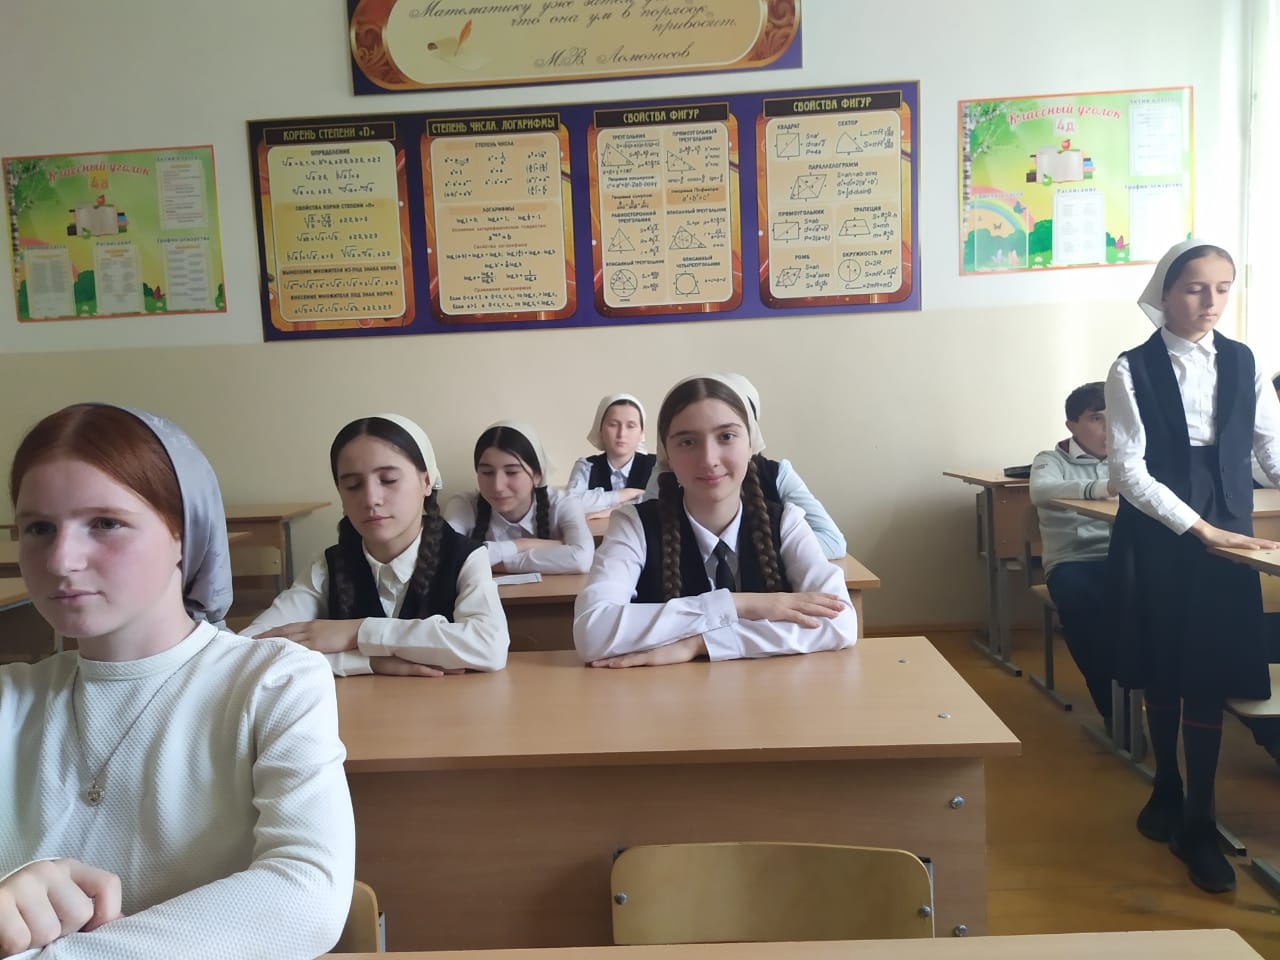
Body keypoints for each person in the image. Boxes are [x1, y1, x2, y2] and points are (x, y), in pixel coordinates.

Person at [0, 403, 354, 958]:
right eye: (39, 528)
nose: (62, 560)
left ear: (184, 534)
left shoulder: (273, 683)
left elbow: (305, 895)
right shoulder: (9, 699)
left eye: (105, 523)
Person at [1105, 239, 1280, 894]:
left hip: (1229, 530)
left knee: (1206, 672)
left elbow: (1270, 448)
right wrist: (1199, 528)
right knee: (1165, 665)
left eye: (1223, 288)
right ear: (1165, 292)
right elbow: (1129, 472)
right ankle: (1168, 786)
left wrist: (1222, 530)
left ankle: (1198, 822)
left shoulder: (1243, 361)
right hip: (1162, 531)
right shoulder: (1132, 367)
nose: (1211, 301)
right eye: (1195, 288)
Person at [573, 374, 856, 666]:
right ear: (667, 454)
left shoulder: (786, 522)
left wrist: (701, 643)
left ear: (751, 444)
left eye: (726, 436)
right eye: (687, 442)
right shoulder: (634, 525)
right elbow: (591, 632)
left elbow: (841, 623)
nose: (708, 459)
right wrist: (738, 604)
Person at [247, 414, 508, 676]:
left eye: (388, 480)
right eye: (353, 485)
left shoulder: (465, 557)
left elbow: (489, 647)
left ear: (426, 481)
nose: (371, 499)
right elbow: (245, 650)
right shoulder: (328, 566)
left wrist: (357, 632)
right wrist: (368, 662)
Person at [1028, 381, 1114, 720]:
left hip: (1124, 556)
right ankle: (1112, 708)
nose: (1109, 428)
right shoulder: (1051, 459)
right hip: (1073, 560)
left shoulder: (1132, 459)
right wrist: (1101, 488)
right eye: (1096, 418)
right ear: (1071, 425)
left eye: (1116, 417)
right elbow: (1041, 491)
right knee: (1083, 607)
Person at [723, 374, 847, 560]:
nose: (709, 456)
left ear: (751, 435)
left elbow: (832, 541)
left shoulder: (776, 474)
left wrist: (760, 548)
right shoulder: (674, 476)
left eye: (727, 436)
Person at [444, 420, 593, 575]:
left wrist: (498, 557)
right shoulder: (463, 505)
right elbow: (445, 555)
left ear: (537, 475)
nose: (498, 486)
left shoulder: (563, 503)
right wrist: (526, 545)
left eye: (512, 472)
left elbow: (581, 559)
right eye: (487, 473)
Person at [564, 393, 657, 516]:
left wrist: (610, 510)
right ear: (600, 429)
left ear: (641, 433)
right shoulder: (586, 466)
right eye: (613, 425)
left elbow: (662, 502)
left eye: (630, 426)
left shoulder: (656, 465)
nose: (621, 433)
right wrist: (625, 494)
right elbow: (569, 504)